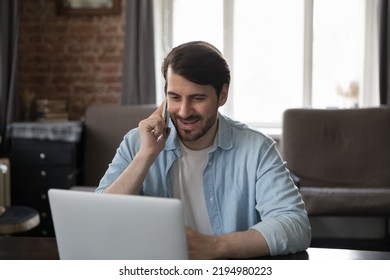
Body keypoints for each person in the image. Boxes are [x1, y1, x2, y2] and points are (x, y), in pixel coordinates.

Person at [96, 41, 311, 259]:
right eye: (175, 97)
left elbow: (295, 224)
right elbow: (98, 221)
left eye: (197, 98)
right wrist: (145, 157)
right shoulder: (137, 143)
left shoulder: (257, 149)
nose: (183, 111)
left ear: (222, 95)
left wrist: (214, 246)